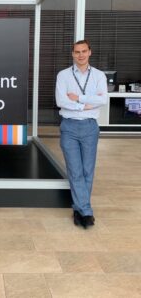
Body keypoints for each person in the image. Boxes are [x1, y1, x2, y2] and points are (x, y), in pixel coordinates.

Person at [55, 40, 107, 229]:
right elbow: (61, 101)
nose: (81, 55)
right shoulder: (63, 75)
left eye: (84, 51)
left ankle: (79, 208)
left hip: (90, 127)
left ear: (90, 52)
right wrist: (84, 106)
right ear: (72, 54)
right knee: (75, 171)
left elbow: (103, 99)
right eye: (77, 52)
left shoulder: (99, 76)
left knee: (87, 171)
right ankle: (86, 211)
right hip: (69, 127)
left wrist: (79, 98)